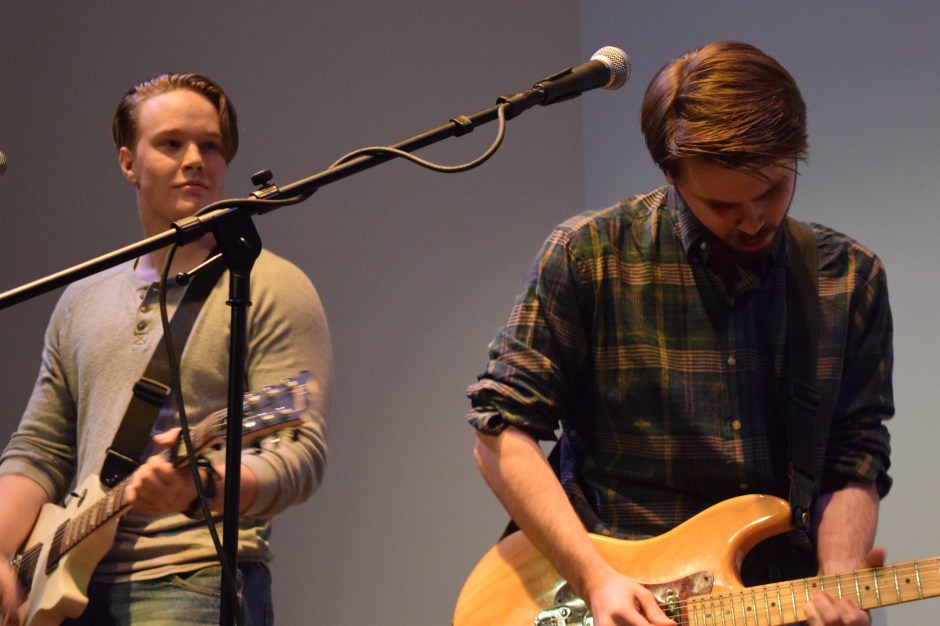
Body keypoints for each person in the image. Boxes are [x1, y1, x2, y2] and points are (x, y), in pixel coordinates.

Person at [467, 41, 892, 626]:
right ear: (670, 174)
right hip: (620, 601)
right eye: (722, 204)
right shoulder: (589, 256)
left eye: (772, 190)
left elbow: (854, 455)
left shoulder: (848, 277)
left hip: (775, 603)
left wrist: (838, 575)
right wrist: (595, 579)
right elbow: (500, 433)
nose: (753, 220)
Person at [0, 73, 332, 625]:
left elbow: (299, 455)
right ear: (129, 162)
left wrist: (200, 487)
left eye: (211, 146)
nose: (195, 160)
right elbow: (39, 450)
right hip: (62, 589)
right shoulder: (82, 297)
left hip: (191, 582)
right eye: (172, 143)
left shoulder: (270, 285)